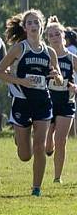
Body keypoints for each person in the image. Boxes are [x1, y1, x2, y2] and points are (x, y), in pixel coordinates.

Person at [0, 9, 64, 196]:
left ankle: (36, 188)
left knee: (40, 145)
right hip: (22, 102)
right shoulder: (19, 48)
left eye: (37, 22)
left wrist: (56, 76)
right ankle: (19, 137)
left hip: (42, 101)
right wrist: (21, 81)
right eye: (30, 23)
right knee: (25, 155)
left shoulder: (49, 52)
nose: (34, 26)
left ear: (42, 26)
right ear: (25, 28)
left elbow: (58, 79)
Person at [44, 18, 76, 183]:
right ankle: (48, 144)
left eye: (57, 34)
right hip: (48, 100)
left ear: (64, 36)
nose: (55, 37)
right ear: (47, 38)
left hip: (66, 102)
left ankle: (57, 177)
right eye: (51, 35)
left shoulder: (72, 58)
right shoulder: (46, 56)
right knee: (48, 142)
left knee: (61, 140)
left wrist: (75, 87)